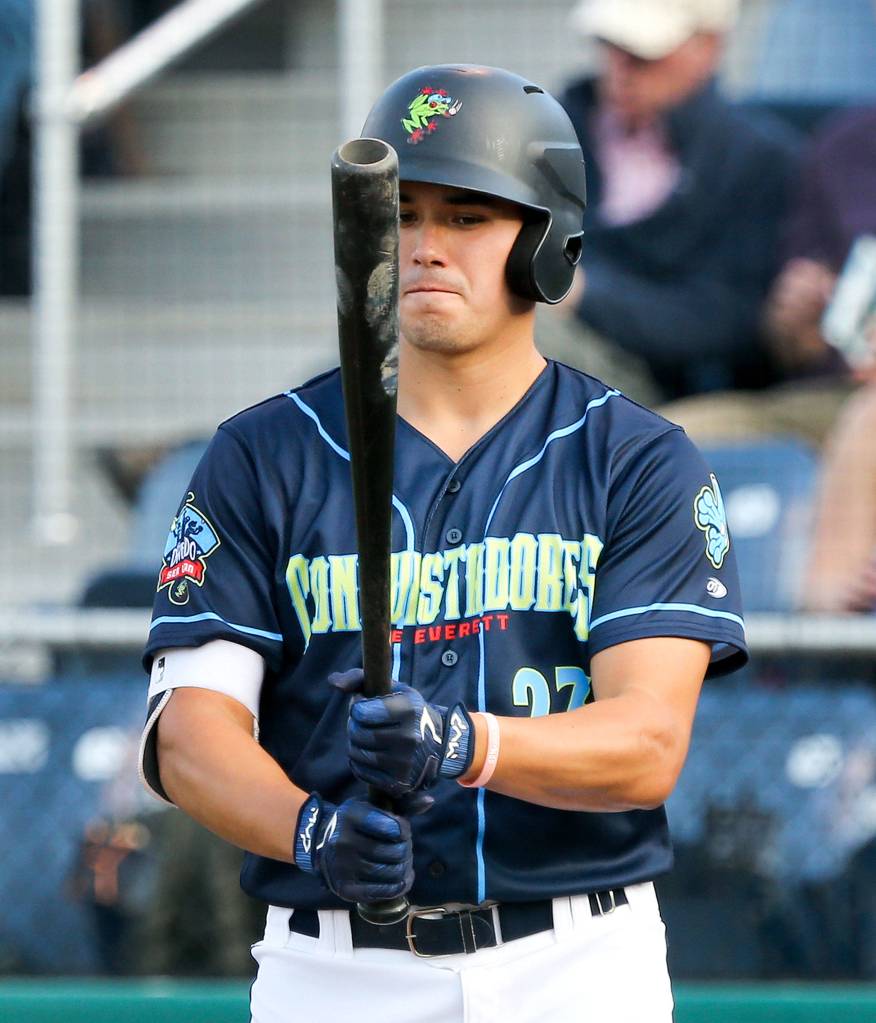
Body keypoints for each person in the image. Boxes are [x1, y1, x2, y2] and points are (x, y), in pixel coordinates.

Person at [138, 65, 748, 1022]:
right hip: (336, 969)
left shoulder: (637, 460)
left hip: (578, 962)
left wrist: (463, 742)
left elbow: (648, 743)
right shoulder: (264, 455)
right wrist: (312, 830)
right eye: (402, 214)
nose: (424, 246)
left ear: (546, 244)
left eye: (467, 216)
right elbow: (190, 736)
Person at [538, 0, 798, 406]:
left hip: (663, 391)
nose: (619, 70)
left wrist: (582, 293)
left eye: (642, 55)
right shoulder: (552, 131)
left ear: (709, 45)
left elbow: (728, 320)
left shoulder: (760, 162)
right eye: (610, 45)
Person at [663, 104, 876, 449]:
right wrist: (798, 324)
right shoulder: (847, 145)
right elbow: (788, 344)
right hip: (832, 400)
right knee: (646, 450)